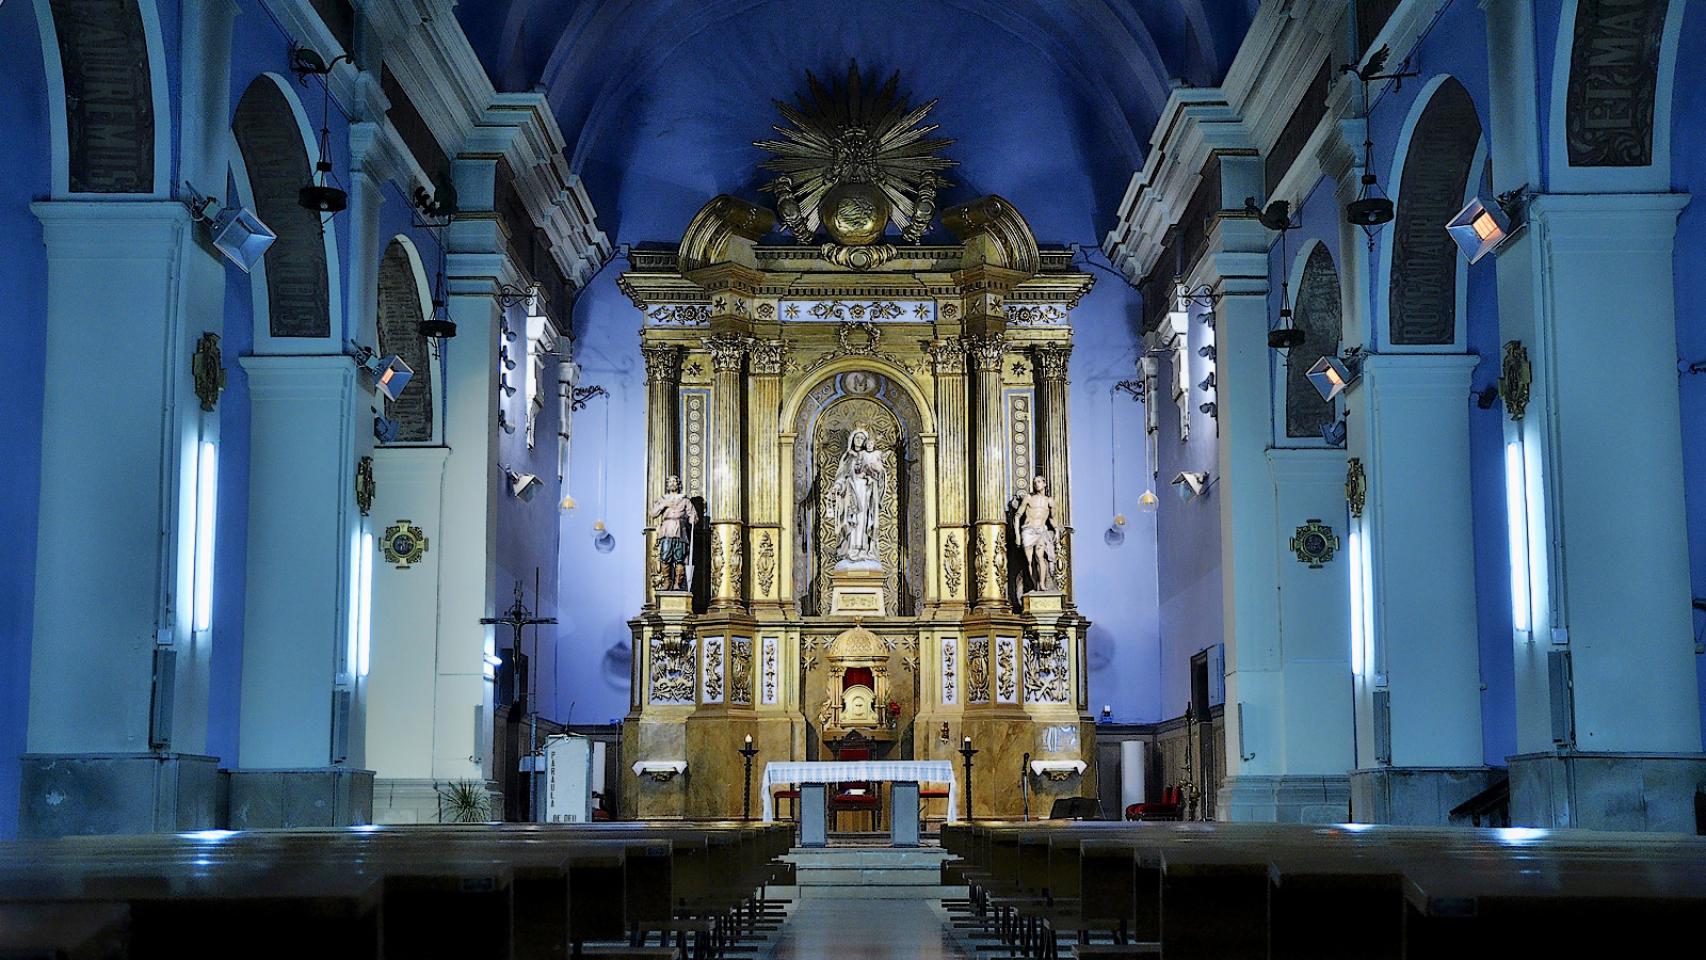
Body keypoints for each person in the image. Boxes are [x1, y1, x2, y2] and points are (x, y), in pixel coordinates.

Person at [831, 429, 885, 567]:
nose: (859, 440)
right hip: (851, 494)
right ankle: (851, 551)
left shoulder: (870, 456)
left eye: (862, 438)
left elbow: (879, 474)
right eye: (857, 437)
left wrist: (874, 476)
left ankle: (864, 550)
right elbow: (841, 475)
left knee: (864, 520)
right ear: (852, 439)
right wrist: (838, 485)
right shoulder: (848, 456)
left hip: (866, 493)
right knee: (851, 522)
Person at [1011, 474, 1058, 593]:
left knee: (1040, 557)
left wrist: (1056, 530)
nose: (1037, 484)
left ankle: (1042, 584)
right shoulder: (1029, 498)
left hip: (1041, 530)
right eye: (1035, 482)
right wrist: (1017, 535)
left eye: (1039, 481)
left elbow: (1052, 519)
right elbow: (1017, 516)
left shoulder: (1050, 501)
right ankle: (1034, 585)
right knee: (1029, 561)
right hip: (1028, 530)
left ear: (1044, 483)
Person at [650, 474, 697, 591]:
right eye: (670, 482)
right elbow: (653, 513)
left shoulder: (685, 500)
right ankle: (667, 581)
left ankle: (678, 583)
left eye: (674, 482)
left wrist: (693, 519)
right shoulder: (663, 499)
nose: (672, 484)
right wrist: (664, 505)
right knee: (665, 556)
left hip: (680, 530)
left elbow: (693, 515)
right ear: (667, 485)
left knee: (679, 557)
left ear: (678, 484)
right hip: (667, 530)